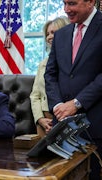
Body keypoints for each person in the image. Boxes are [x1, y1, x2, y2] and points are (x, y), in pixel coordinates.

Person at [44, 0, 102, 178]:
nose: (66, 10)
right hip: (62, 124)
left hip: (94, 124)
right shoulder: (61, 34)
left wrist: (76, 103)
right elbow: (50, 74)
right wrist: (58, 106)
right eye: (64, 3)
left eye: (72, 3)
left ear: (90, 2)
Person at [30, 16, 69, 137]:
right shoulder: (43, 64)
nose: (49, 37)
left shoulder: (72, 62)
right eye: (47, 34)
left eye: (53, 32)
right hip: (45, 122)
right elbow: (35, 95)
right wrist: (40, 119)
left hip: (66, 118)